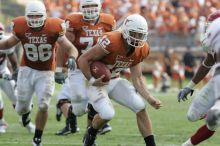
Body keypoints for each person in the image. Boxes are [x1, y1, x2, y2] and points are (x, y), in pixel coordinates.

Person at [0, 1, 78, 146]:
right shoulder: (20, 25)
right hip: (26, 70)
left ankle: (37, 139)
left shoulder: (54, 26)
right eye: (32, 16)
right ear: (26, 16)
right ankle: (26, 111)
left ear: (44, 16)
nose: (35, 19)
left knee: (43, 105)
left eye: (38, 16)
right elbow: (8, 44)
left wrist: (73, 57)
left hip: (47, 71)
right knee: (20, 109)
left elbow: (70, 48)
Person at [78, 14, 162, 146]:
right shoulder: (111, 41)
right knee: (107, 114)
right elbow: (83, 59)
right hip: (98, 82)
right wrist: (92, 80)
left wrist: (149, 97)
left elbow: (138, 78)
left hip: (115, 80)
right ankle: (90, 135)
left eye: (140, 35)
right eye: (134, 33)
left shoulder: (142, 49)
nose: (137, 38)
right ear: (126, 30)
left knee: (140, 106)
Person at [54, 0, 115, 136]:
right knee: (79, 107)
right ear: (81, 8)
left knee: (96, 98)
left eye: (93, 5)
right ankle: (73, 113)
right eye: (86, 6)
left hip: (97, 67)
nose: (90, 9)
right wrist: (58, 68)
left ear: (99, 7)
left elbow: (113, 45)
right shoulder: (74, 21)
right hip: (77, 67)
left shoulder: (108, 21)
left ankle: (92, 130)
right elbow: (63, 46)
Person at [177, 10, 220, 146]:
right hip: (218, 78)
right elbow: (208, 62)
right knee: (193, 115)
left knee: (213, 118)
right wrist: (190, 86)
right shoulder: (213, 43)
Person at [0, 22, 19, 133]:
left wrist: (15, 75)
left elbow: (14, 63)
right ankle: (1, 123)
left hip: (4, 71)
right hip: (3, 73)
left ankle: (24, 118)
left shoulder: (6, 42)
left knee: (15, 96)